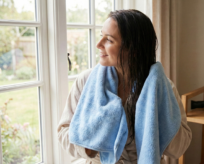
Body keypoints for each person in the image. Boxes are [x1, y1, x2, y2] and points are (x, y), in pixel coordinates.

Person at [57, 9, 192, 164]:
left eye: (109, 40)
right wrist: (86, 147)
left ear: (133, 50)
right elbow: (63, 131)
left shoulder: (162, 88)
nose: (99, 44)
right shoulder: (85, 82)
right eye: (101, 36)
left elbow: (180, 147)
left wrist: (160, 111)